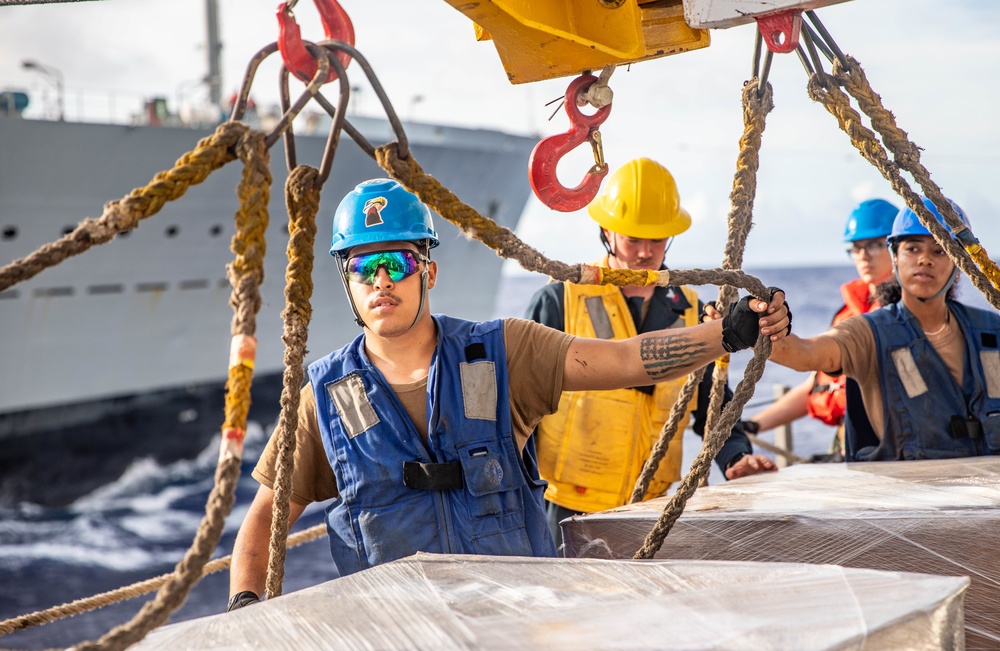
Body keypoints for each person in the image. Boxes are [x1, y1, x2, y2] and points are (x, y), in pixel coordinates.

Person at [227, 178, 790, 611]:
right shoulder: (323, 397)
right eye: (362, 267)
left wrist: (730, 331)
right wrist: (246, 608)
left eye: (396, 263)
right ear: (347, 283)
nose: (381, 282)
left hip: (518, 627)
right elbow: (266, 518)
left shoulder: (502, 353)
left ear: (429, 271)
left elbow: (623, 359)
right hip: (395, 636)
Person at [522, 158, 776, 542]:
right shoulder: (560, 299)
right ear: (607, 232)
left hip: (653, 507)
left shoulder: (691, 309)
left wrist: (735, 456)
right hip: (564, 506)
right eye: (632, 239)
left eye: (655, 239)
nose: (644, 252)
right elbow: (521, 402)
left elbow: (712, 399)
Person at [766, 196, 1000, 462]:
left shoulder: (992, 330)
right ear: (895, 258)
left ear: (959, 266)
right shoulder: (866, 332)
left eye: (940, 250)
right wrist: (761, 324)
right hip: (907, 496)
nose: (925, 259)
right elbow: (803, 353)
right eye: (912, 249)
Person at [741, 199, 899, 461]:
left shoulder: (906, 315)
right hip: (848, 446)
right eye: (856, 247)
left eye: (873, 245)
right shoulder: (848, 314)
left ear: (897, 247)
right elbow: (818, 382)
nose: (863, 255)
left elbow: (805, 353)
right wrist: (753, 426)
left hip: (888, 452)